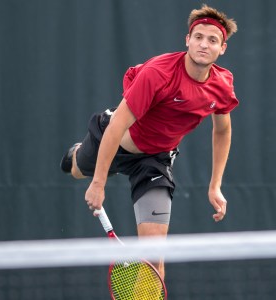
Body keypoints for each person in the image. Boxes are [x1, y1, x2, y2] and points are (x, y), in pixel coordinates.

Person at [60, 4, 238, 279]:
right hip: (116, 141)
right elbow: (118, 125)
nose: (204, 44)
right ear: (187, 40)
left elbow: (223, 131)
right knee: (76, 170)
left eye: (212, 40)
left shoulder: (222, 84)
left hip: (155, 161)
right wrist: (98, 182)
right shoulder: (159, 73)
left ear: (222, 48)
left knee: (153, 260)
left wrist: (215, 186)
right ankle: (78, 154)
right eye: (199, 37)